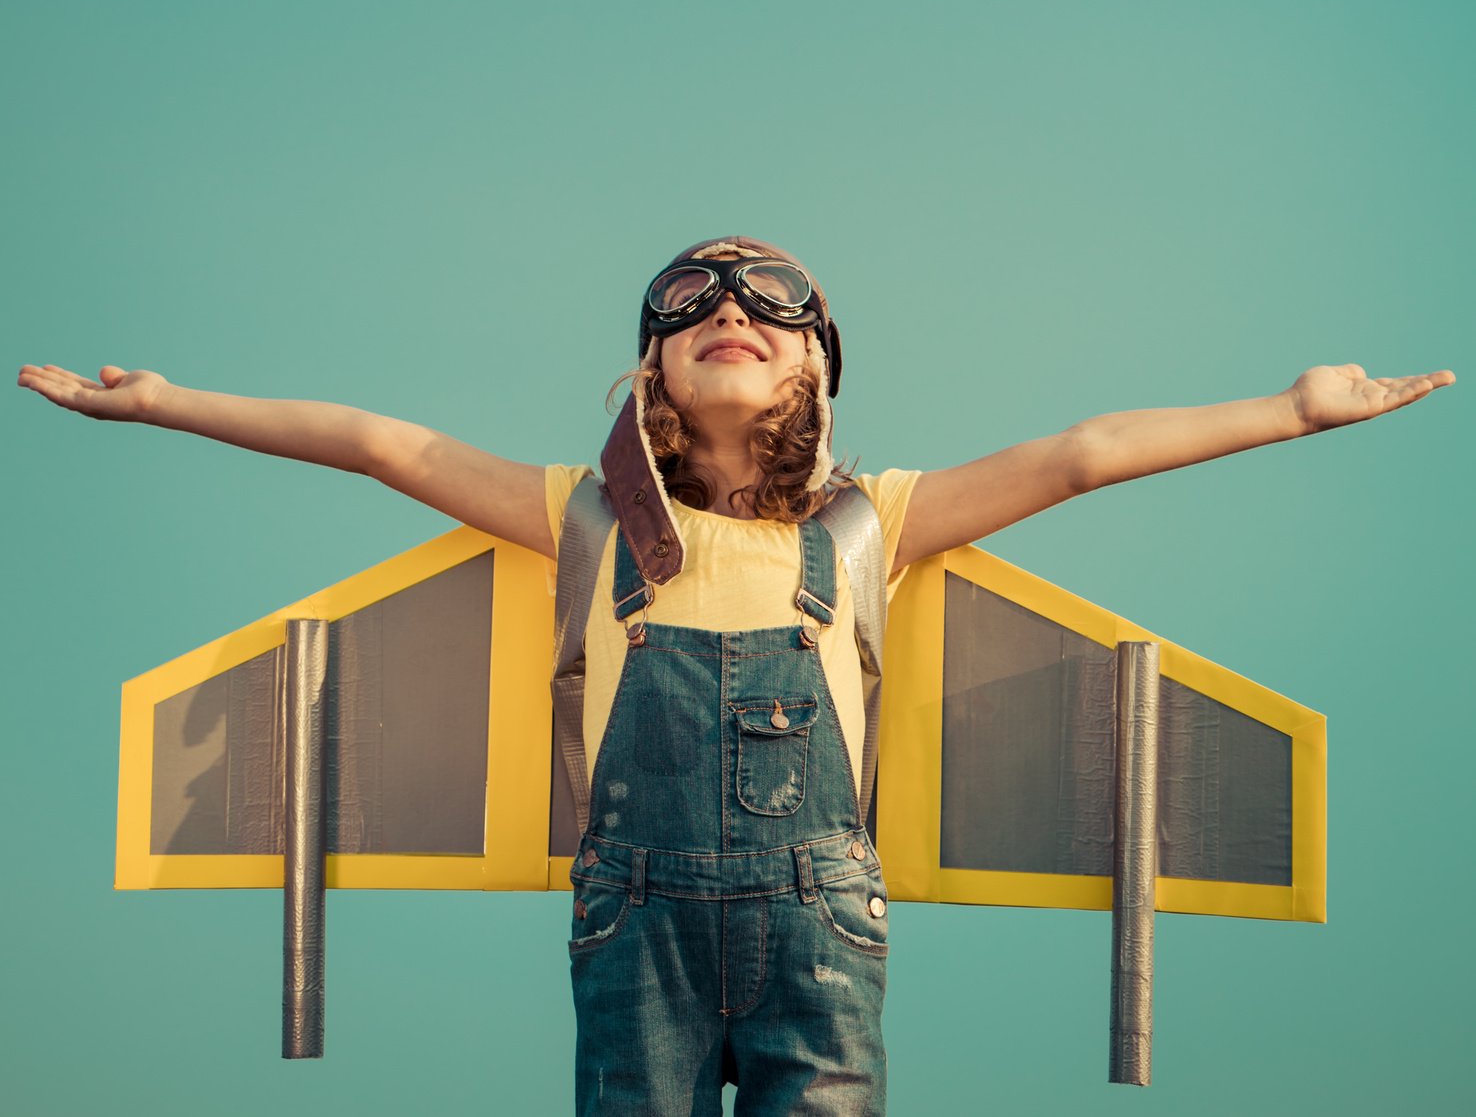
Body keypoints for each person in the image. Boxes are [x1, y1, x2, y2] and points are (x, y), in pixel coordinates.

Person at [18, 233, 1454, 1117]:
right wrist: (168, 407)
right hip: (629, 924)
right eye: (692, 293)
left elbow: (1082, 451)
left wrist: (1290, 409)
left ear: (817, 370)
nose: (731, 299)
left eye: (772, 295)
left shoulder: (873, 519)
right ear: (649, 369)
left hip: (821, 923)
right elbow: (383, 443)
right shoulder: (580, 516)